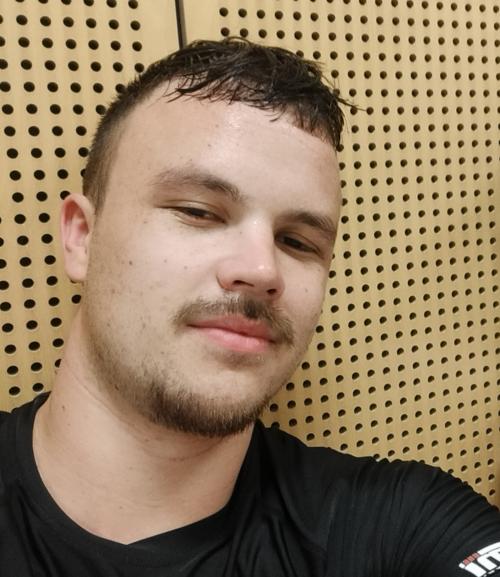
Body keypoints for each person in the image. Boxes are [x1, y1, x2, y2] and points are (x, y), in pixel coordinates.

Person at [0, 38, 499, 577]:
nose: (263, 270)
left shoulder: (397, 521)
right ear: (82, 237)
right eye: (199, 211)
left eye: (298, 242)